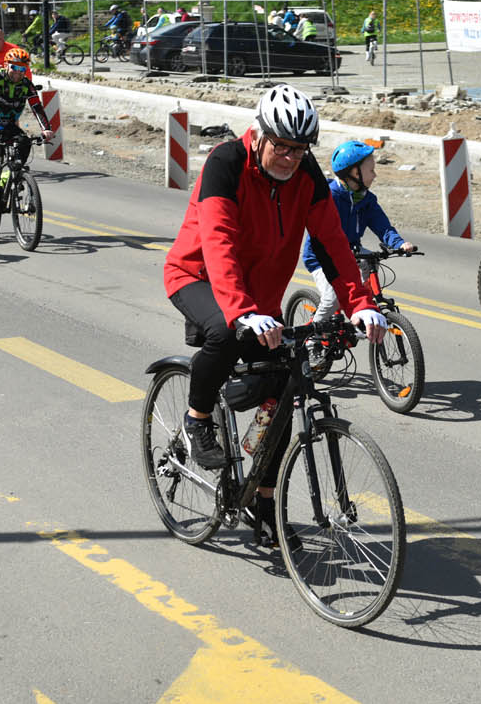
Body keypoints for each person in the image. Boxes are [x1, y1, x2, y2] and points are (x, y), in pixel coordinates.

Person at [162, 85, 387, 545]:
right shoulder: (225, 164)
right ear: (259, 135)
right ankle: (197, 418)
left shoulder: (306, 176)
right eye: (280, 146)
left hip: (259, 301)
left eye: (299, 148)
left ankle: (263, 505)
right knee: (224, 331)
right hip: (198, 276)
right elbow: (219, 244)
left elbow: (333, 247)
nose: (289, 157)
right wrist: (242, 310)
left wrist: (360, 304)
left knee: (287, 390)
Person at [301, 139, 415, 322]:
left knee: (372, 262)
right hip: (321, 256)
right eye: (371, 170)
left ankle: (361, 307)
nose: (375, 175)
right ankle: (313, 335)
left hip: (351, 250)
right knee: (332, 299)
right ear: (354, 173)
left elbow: (383, 227)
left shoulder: (367, 200)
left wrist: (399, 244)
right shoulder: (330, 197)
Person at [0, 46, 56, 235]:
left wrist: (46, 128)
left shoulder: (26, 85)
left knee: (25, 143)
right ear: (6, 66)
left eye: (22, 69)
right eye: (14, 68)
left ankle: (12, 177)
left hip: (8, 125)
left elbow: (37, 107)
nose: (18, 73)